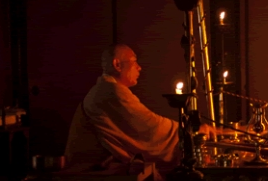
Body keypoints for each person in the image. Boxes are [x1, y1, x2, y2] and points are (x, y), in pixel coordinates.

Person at [64, 43, 217, 173]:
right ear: (117, 65)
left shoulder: (108, 89)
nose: (139, 67)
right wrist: (189, 133)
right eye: (134, 62)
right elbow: (150, 127)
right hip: (89, 170)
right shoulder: (110, 91)